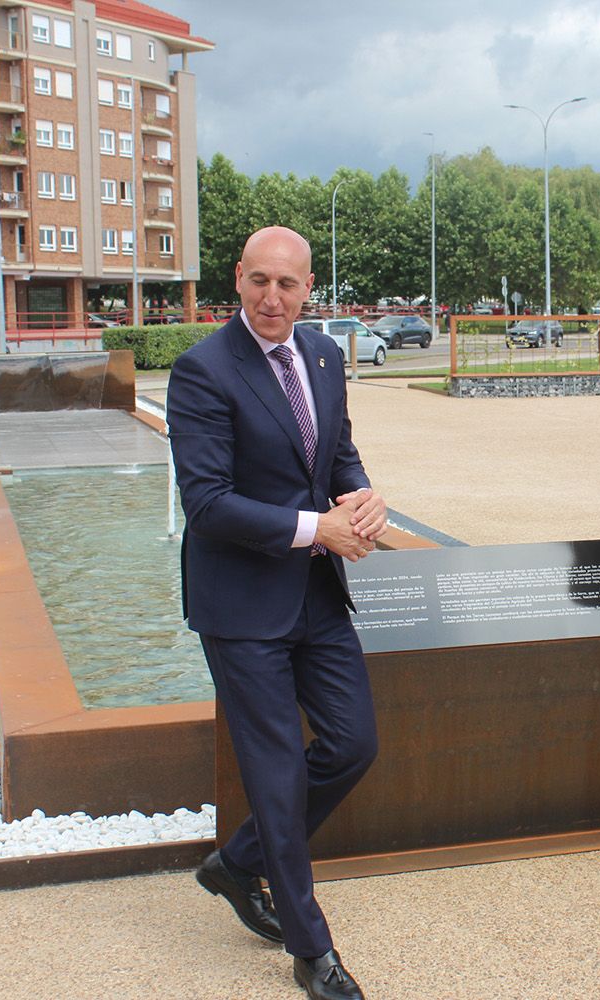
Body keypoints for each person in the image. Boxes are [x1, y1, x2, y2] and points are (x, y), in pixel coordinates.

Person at [168, 226, 386, 1000]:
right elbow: (207, 504)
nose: (271, 298)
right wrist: (312, 530)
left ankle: (237, 862)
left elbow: (338, 454)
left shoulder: (323, 356)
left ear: (308, 287)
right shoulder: (201, 372)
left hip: (318, 597)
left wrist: (360, 498)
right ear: (237, 279)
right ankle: (311, 950)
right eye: (259, 281)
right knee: (276, 773)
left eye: (287, 285)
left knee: (355, 744)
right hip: (240, 605)